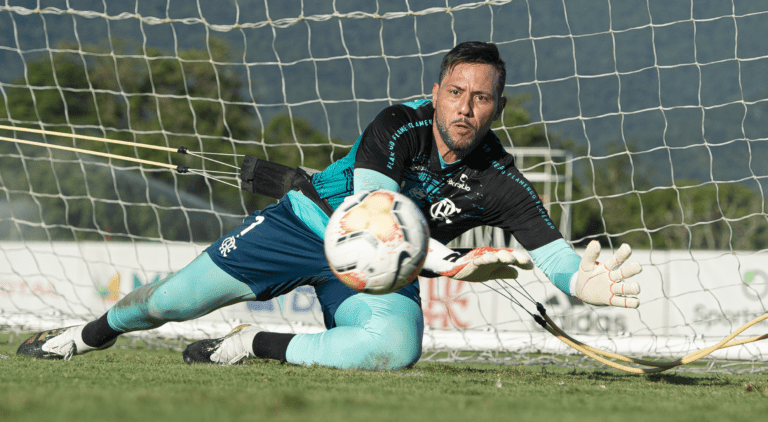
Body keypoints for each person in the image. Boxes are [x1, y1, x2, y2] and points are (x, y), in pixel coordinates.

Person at [17, 41, 641, 370]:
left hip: (378, 268)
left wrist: (584, 283)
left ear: (498, 108)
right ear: (436, 92)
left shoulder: (501, 179)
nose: (465, 107)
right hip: (304, 224)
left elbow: (553, 253)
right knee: (163, 304)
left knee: (393, 350)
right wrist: (450, 263)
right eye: (456, 91)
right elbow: (376, 214)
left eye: (481, 98)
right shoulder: (399, 125)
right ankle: (84, 336)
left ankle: (251, 345)